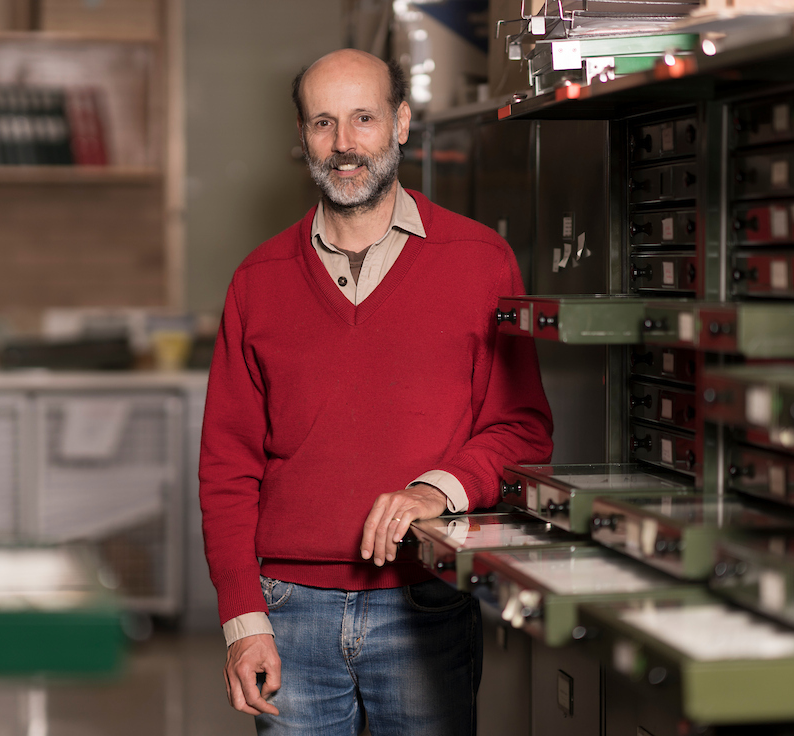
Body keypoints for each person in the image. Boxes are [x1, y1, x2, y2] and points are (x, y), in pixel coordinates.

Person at [199, 48, 553, 736]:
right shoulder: (258, 279)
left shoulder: (482, 262)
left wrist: (434, 491)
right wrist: (243, 621)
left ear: (401, 123)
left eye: (364, 118)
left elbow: (522, 430)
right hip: (288, 609)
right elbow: (227, 468)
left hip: (426, 601)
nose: (344, 144)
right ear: (302, 136)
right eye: (324, 123)